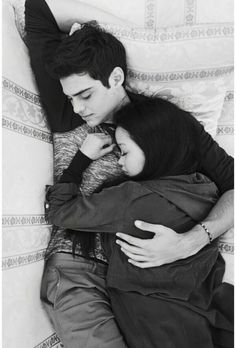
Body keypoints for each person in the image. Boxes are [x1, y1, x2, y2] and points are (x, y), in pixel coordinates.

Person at [24, 0, 234, 347]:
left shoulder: (169, 125)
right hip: (82, 265)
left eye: (86, 95)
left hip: (154, 280)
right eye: (71, 97)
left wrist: (191, 241)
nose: (77, 107)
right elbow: (37, 11)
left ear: (116, 77)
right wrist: (89, 33)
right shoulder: (69, 106)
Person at [45, 97, 233, 348]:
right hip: (201, 308)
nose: (119, 161)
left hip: (157, 321)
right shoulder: (207, 188)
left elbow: (59, 211)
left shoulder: (132, 198)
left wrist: (81, 159)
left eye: (125, 151)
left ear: (153, 147)